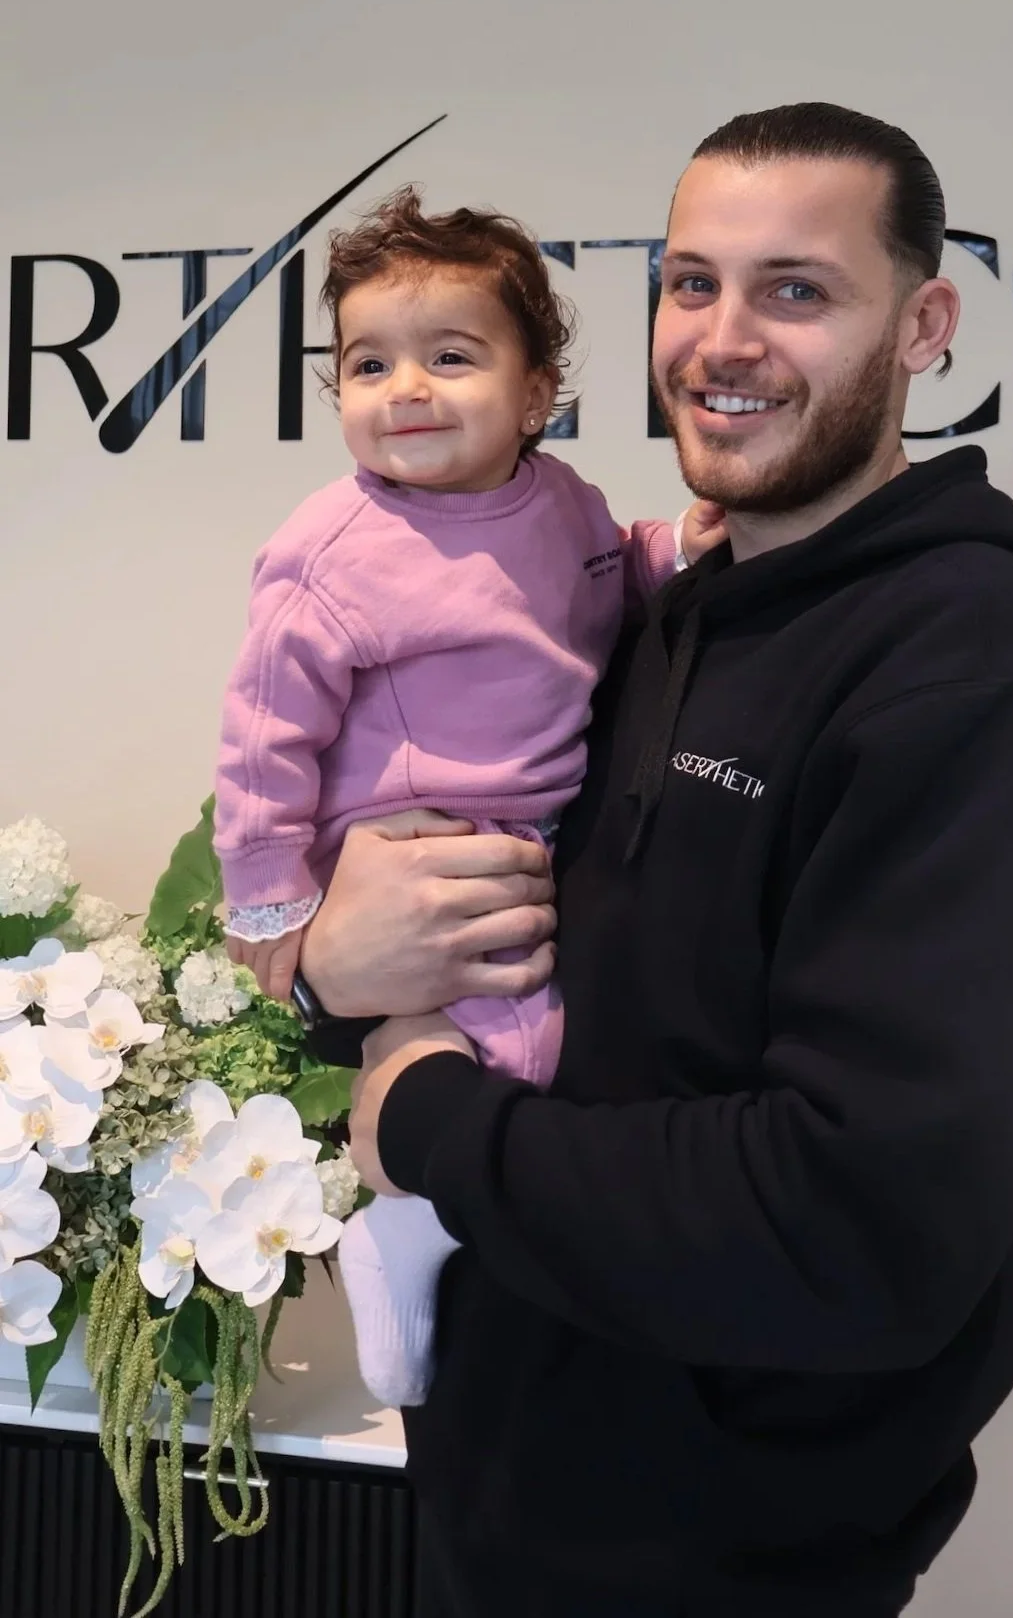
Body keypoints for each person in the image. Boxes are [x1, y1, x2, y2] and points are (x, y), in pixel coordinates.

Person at [303, 104, 1013, 1616]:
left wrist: (432, 1120)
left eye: (796, 289)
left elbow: (856, 1219)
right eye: (690, 282)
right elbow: (491, 946)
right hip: (502, 1513)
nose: (722, 338)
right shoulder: (650, 611)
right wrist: (322, 967)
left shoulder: (978, 672)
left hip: (729, 1568)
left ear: (926, 323)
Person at [212, 186, 720, 1406]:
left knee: (547, 1048)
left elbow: (614, 572)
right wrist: (272, 903)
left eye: (452, 356)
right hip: (410, 836)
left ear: (536, 389)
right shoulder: (333, 549)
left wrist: (681, 549)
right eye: (370, 364)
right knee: (473, 1037)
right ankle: (404, 1224)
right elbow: (261, 736)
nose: (408, 389)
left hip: (534, 829)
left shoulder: (563, 503)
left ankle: (440, 1216)